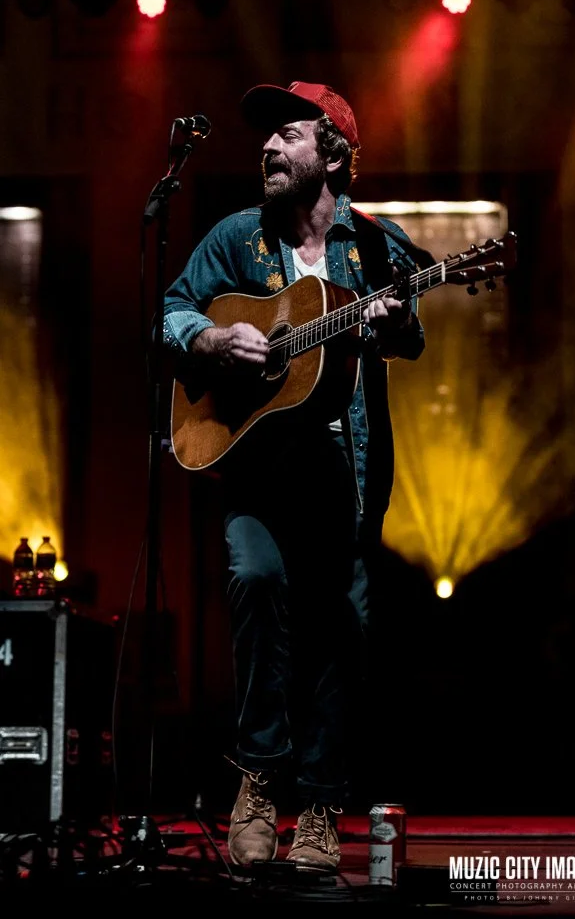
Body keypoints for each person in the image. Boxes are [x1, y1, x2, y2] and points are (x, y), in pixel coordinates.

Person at [162, 81, 427, 874]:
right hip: (257, 467)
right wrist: (212, 341)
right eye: (267, 137)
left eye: (288, 135)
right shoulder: (235, 236)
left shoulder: (376, 247)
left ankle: (317, 804)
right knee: (254, 583)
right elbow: (173, 311)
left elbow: (407, 339)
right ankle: (255, 781)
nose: (268, 147)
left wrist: (394, 319)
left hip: (343, 473)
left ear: (333, 156)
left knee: (339, 628)